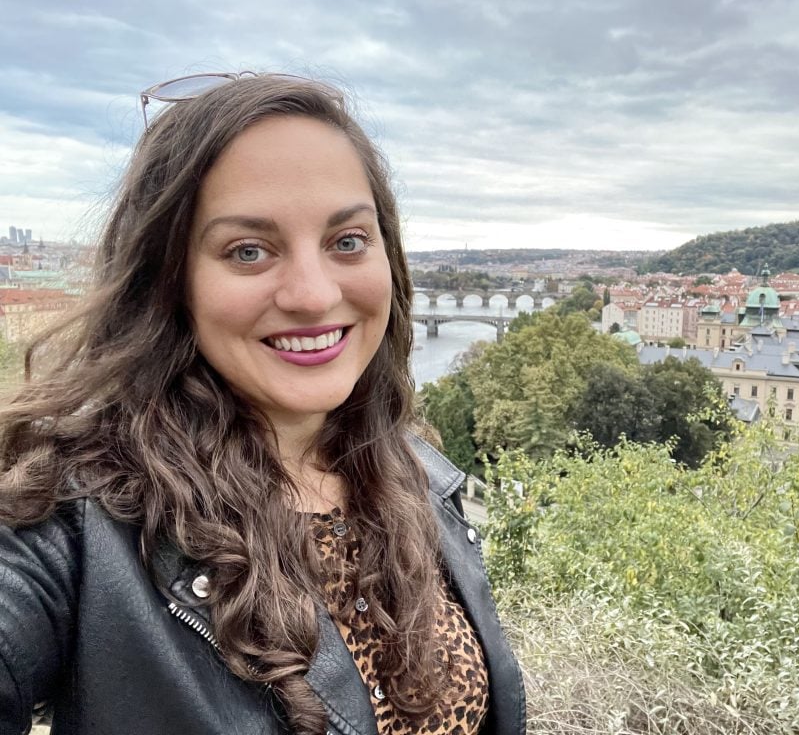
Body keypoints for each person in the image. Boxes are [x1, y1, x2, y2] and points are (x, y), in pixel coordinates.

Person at [0, 74, 524, 735]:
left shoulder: (421, 472)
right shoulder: (75, 516)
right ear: (169, 280)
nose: (311, 293)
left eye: (347, 241)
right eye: (249, 251)